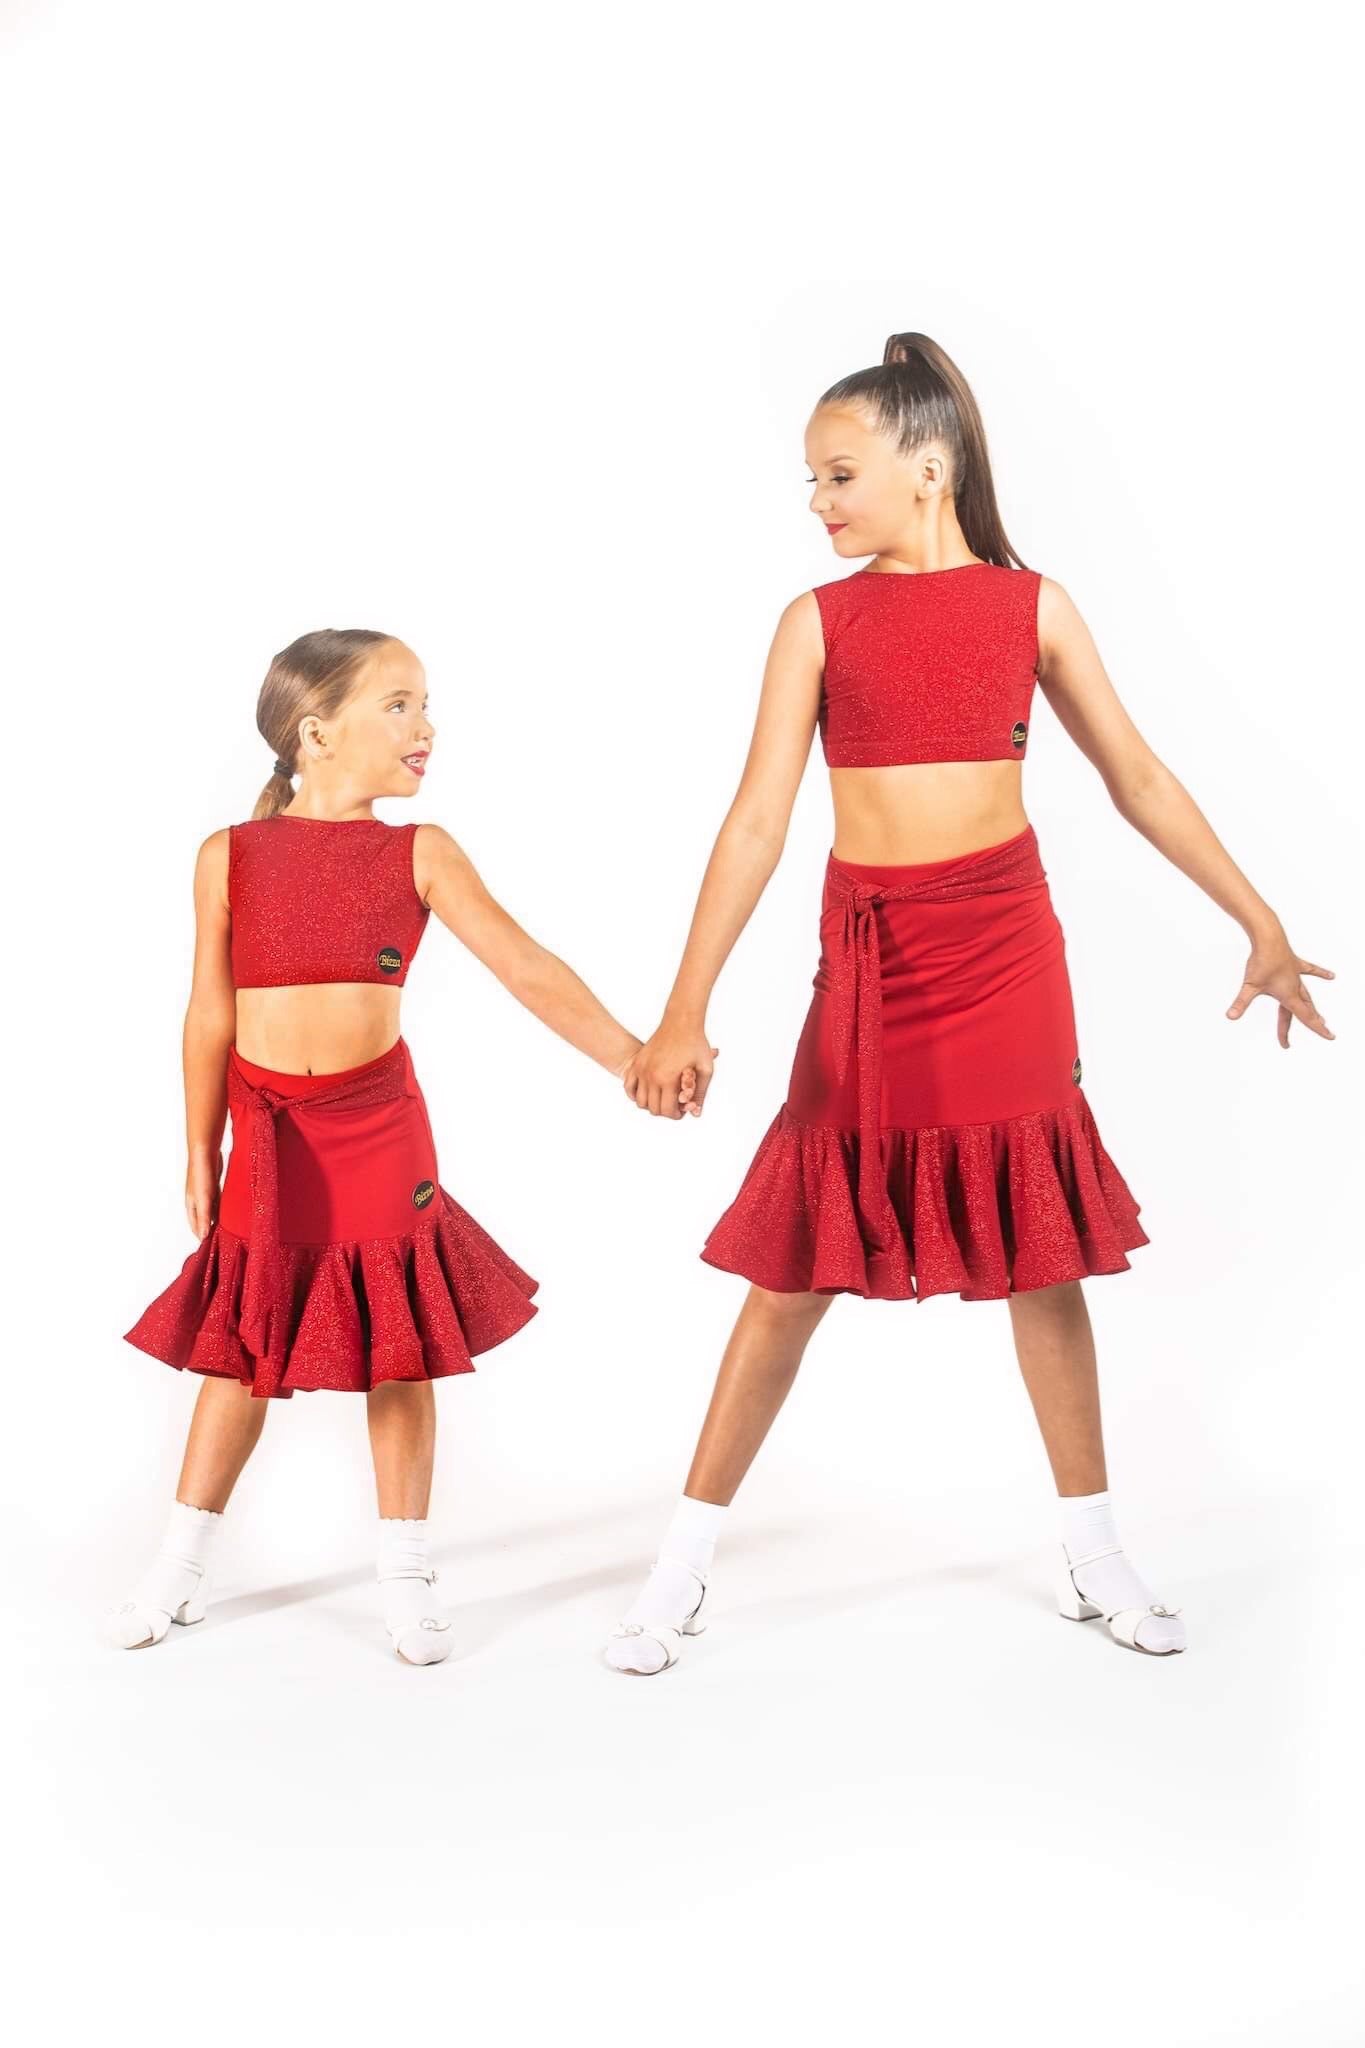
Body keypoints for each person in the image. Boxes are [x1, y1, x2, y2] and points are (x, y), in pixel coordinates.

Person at [605, 330, 1335, 1672]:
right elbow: (759, 818)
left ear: (926, 465)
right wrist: (682, 1007)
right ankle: (681, 1566)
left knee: (1041, 1255)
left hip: (1003, 951)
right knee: (793, 1263)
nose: (817, 500)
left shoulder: (1033, 606)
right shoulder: (815, 622)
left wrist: (1260, 917)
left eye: (838, 473)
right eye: (809, 480)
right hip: (872, 960)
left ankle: (1094, 1550)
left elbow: (1142, 778)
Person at [112, 627, 647, 1665]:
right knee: (243, 1341)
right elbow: (207, 1013)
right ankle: (177, 1561)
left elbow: (526, 965)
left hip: (377, 1123)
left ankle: (404, 1570)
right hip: (268, 1131)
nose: (426, 726)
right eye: (398, 704)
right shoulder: (229, 854)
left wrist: (630, 1053)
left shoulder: (421, 851)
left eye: (425, 703)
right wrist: (197, 1146)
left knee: (400, 1342)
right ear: (317, 732)